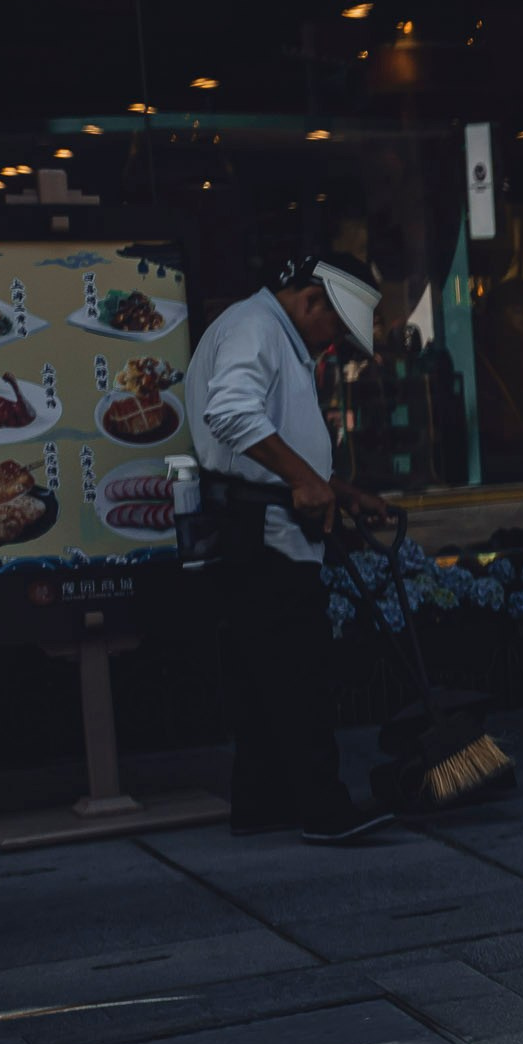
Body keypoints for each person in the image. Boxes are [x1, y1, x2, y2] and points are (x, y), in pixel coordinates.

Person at [191, 253, 396, 844]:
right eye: (334, 328)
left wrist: (341, 490)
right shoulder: (255, 327)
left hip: (265, 524)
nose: (334, 346)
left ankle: (260, 802)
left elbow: (275, 442)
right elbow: (230, 413)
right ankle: (323, 808)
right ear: (311, 301)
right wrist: (306, 481)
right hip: (261, 532)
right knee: (300, 673)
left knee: (264, 678)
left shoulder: (271, 332)